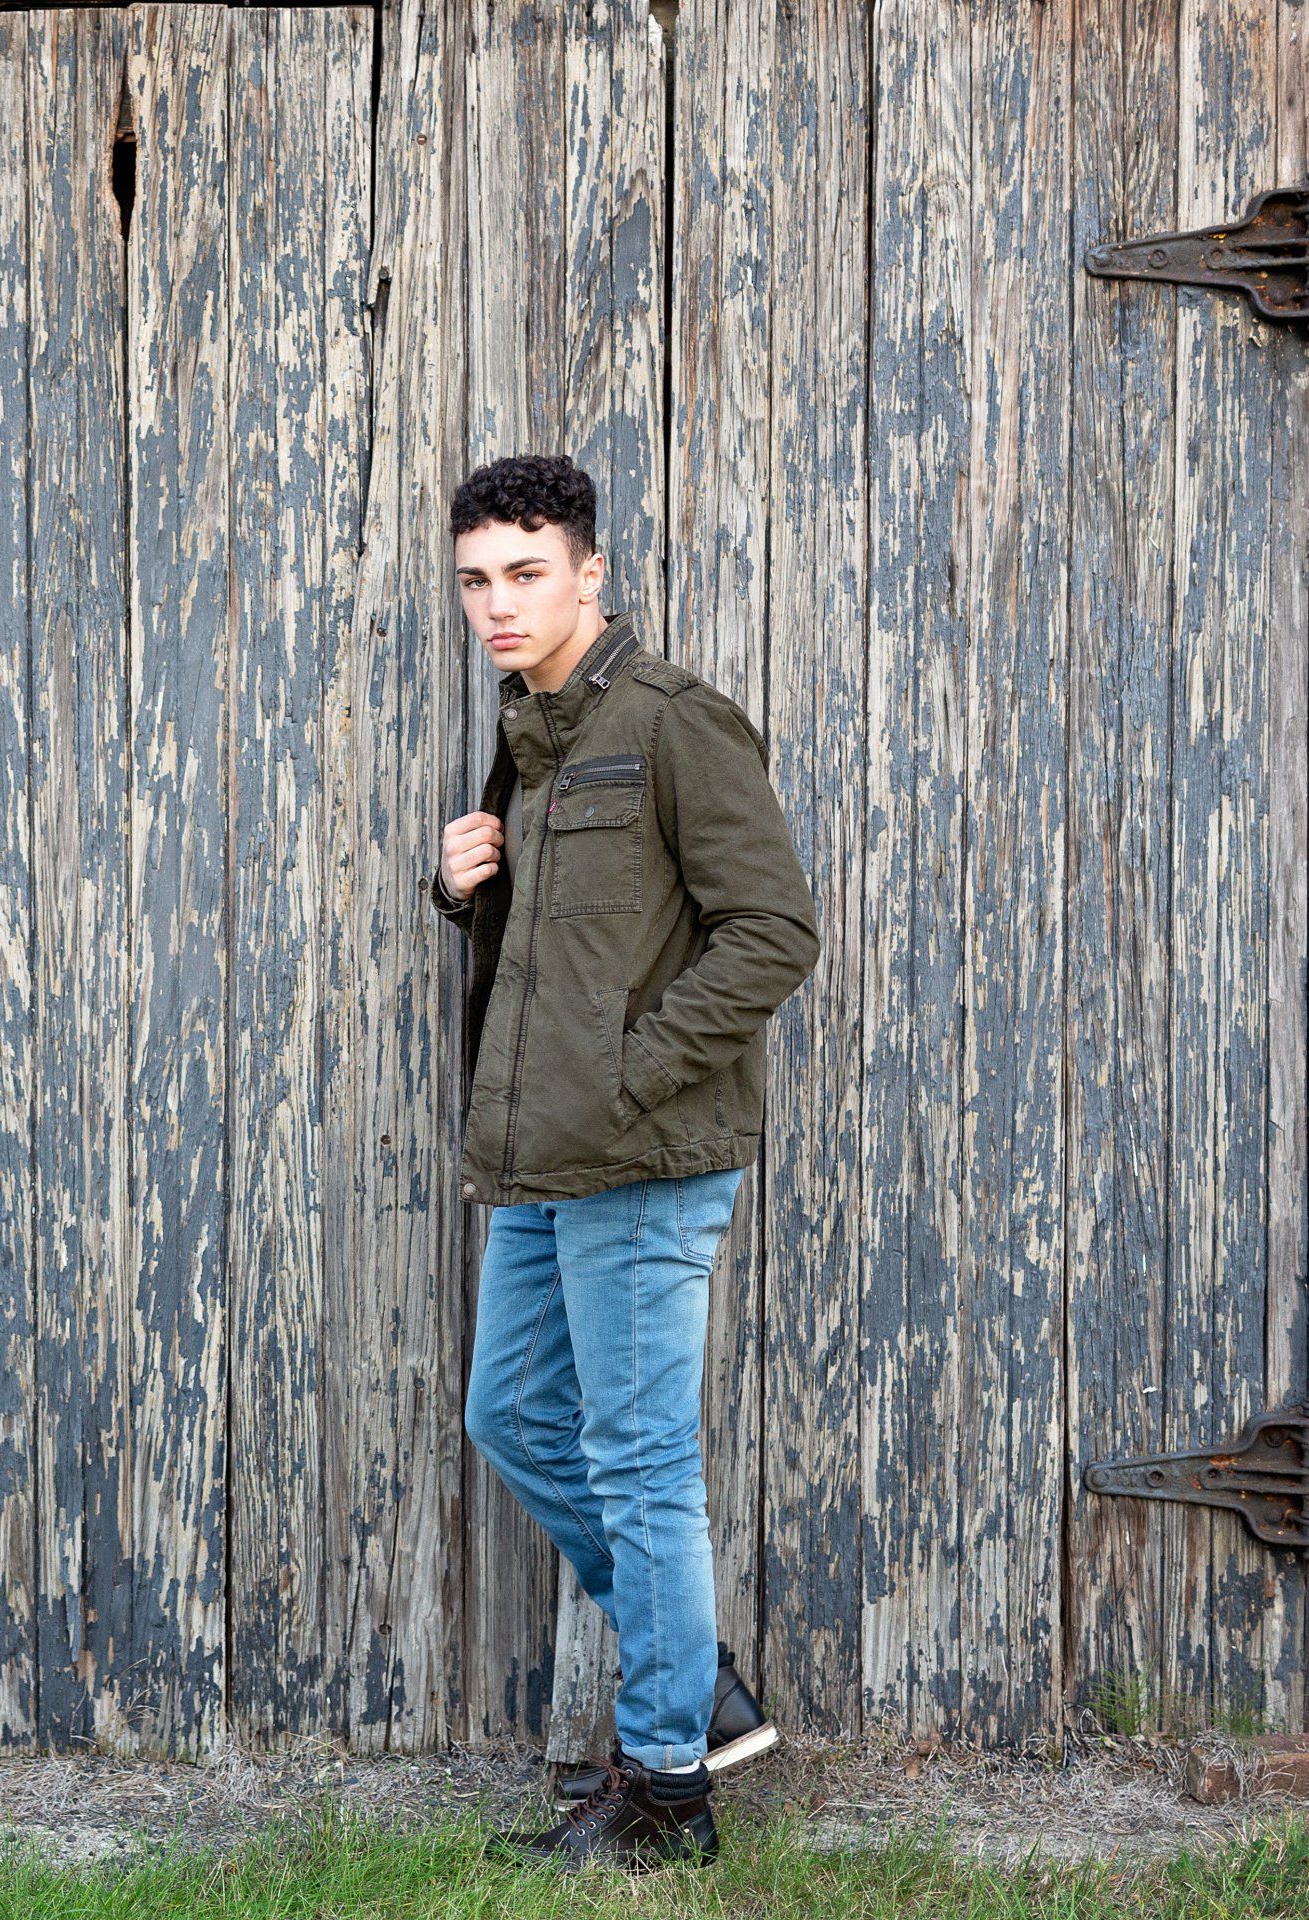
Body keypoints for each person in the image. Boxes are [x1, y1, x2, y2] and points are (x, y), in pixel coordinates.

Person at [425, 453, 820, 1871]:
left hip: (642, 1154)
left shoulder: (673, 724)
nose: (498, 604)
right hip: (547, 1159)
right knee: (516, 1414)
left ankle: (666, 1792)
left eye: (526, 573)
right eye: (475, 579)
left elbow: (771, 931)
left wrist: (636, 1076)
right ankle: (691, 1672)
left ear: (591, 573)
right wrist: (465, 885)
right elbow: (568, 951)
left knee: (643, 1462)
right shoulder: (530, 734)